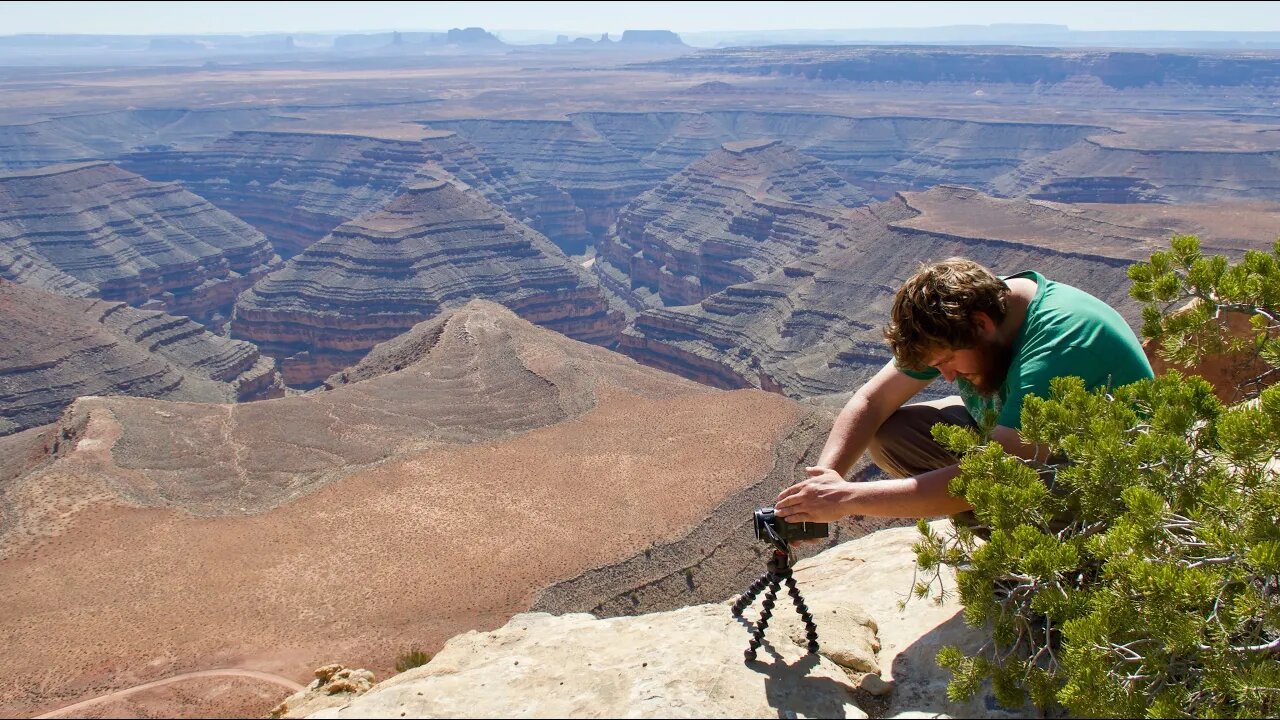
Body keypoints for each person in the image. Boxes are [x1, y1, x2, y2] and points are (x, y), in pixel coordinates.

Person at [774, 257, 1154, 524]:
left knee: (988, 487)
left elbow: (995, 474)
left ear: (981, 324)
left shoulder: (1061, 343)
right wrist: (824, 480)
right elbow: (873, 400)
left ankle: (1054, 570)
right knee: (892, 434)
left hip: (1109, 489)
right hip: (1028, 455)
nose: (948, 376)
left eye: (948, 361)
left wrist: (845, 500)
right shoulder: (969, 316)